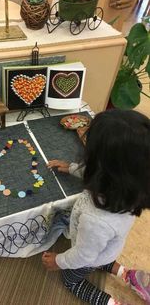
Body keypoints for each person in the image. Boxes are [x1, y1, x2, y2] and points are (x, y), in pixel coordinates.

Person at [42, 109, 150, 305]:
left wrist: (58, 261)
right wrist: (72, 168)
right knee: (102, 254)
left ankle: (113, 303)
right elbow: (102, 173)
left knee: (71, 281)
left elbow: (83, 255)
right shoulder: (130, 188)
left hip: (91, 253)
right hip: (107, 246)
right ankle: (126, 273)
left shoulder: (96, 220)